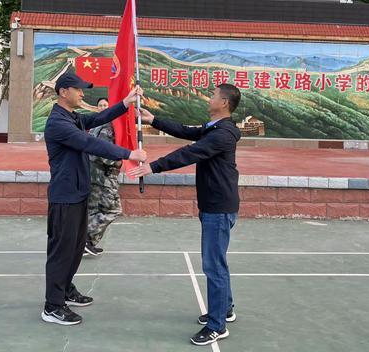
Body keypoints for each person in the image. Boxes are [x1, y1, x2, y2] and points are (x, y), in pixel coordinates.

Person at [131, 83, 241, 346]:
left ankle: (217, 325)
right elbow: (186, 131)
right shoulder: (213, 128)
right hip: (215, 205)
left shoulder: (222, 134)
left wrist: (153, 167)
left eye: (213, 95)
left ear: (224, 103)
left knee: (213, 265)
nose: (209, 98)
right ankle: (224, 308)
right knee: (217, 262)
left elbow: (190, 152)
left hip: (218, 207)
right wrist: (153, 120)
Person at [42, 72, 147, 326]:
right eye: (78, 89)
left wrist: (126, 102)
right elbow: (90, 143)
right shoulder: (58, 122)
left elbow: (98, 117)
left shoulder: (73, 117)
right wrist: (129, 153)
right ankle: (52, 306)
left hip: (78, 193)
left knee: (77, 247)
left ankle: (65, 289)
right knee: (61, 251)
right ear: (63, 92)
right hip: (65, 196)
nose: (82, 93)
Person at [84, 97, 123, 257]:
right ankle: (86, 240)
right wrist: (119, 161)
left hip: (93, 174)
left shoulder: (95, 126)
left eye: (106, 105)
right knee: (113, 209)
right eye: (100, 105)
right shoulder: (107, 127)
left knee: (93, 210)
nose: (103, 107)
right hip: (104, 176)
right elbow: (103, 153)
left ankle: (86, 243)